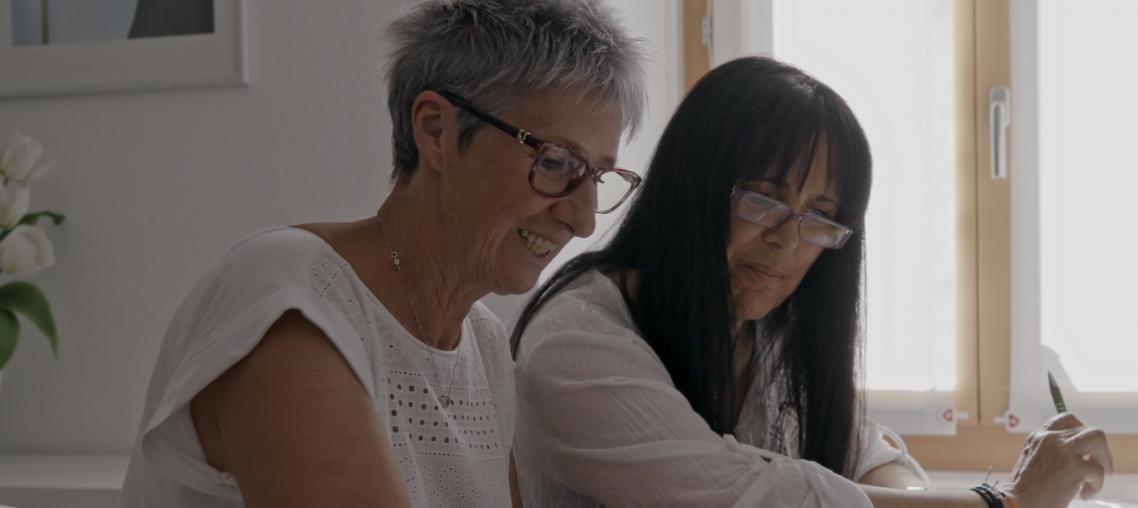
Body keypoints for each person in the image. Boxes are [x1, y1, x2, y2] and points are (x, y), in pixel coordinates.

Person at [511, 56, 1113, 508]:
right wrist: (1005, 502)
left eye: (821, 217)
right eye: (763, 199)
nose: (789, 240)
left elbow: (869, 455)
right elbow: (746, 495)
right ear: (691, 188)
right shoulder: (577, 341)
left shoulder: (766, 333)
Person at [120, 0, 645, 506]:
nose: (582, 221)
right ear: (436, 131)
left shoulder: (484, 344)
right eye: (556, 163)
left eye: (599, 177)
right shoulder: (292, 297)